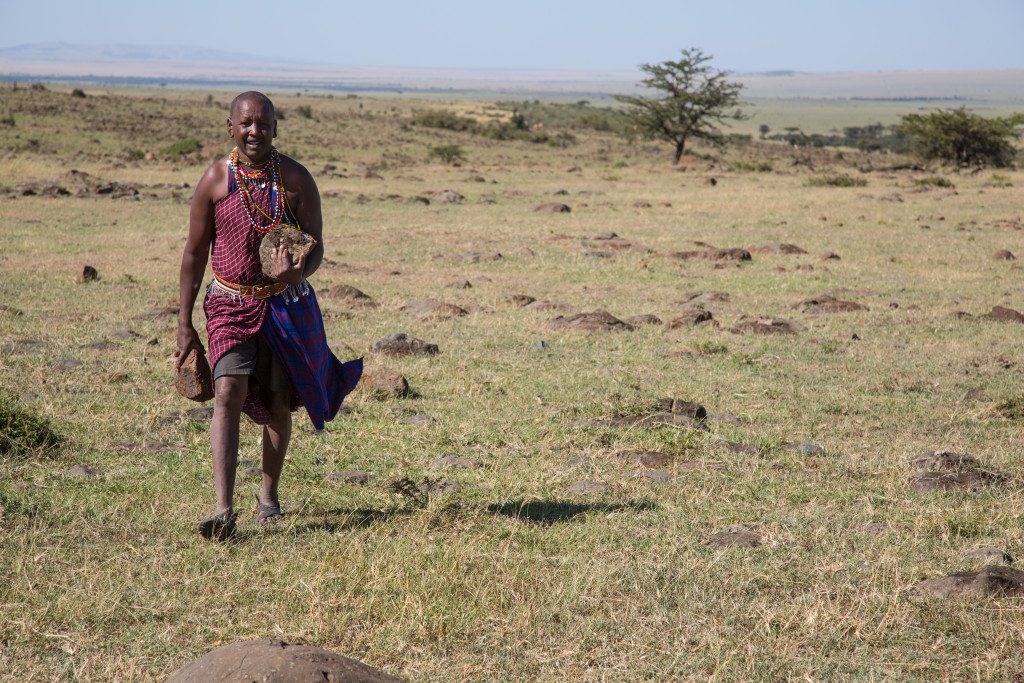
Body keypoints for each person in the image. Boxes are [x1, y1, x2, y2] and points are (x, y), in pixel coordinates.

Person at [175, 91, 362, 541]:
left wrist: (298, 271)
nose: (254, 131)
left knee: (279, 404)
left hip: (282, 307)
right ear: (230, 127)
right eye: (246, 124)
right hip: (228, 303)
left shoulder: (296, 181)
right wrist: (184, 323)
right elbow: (195, 253)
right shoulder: (216, 180)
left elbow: (315, 246)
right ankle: (222, 509)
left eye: (263, 124)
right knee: (227, 391)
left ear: (276, 128)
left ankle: (268, 497)